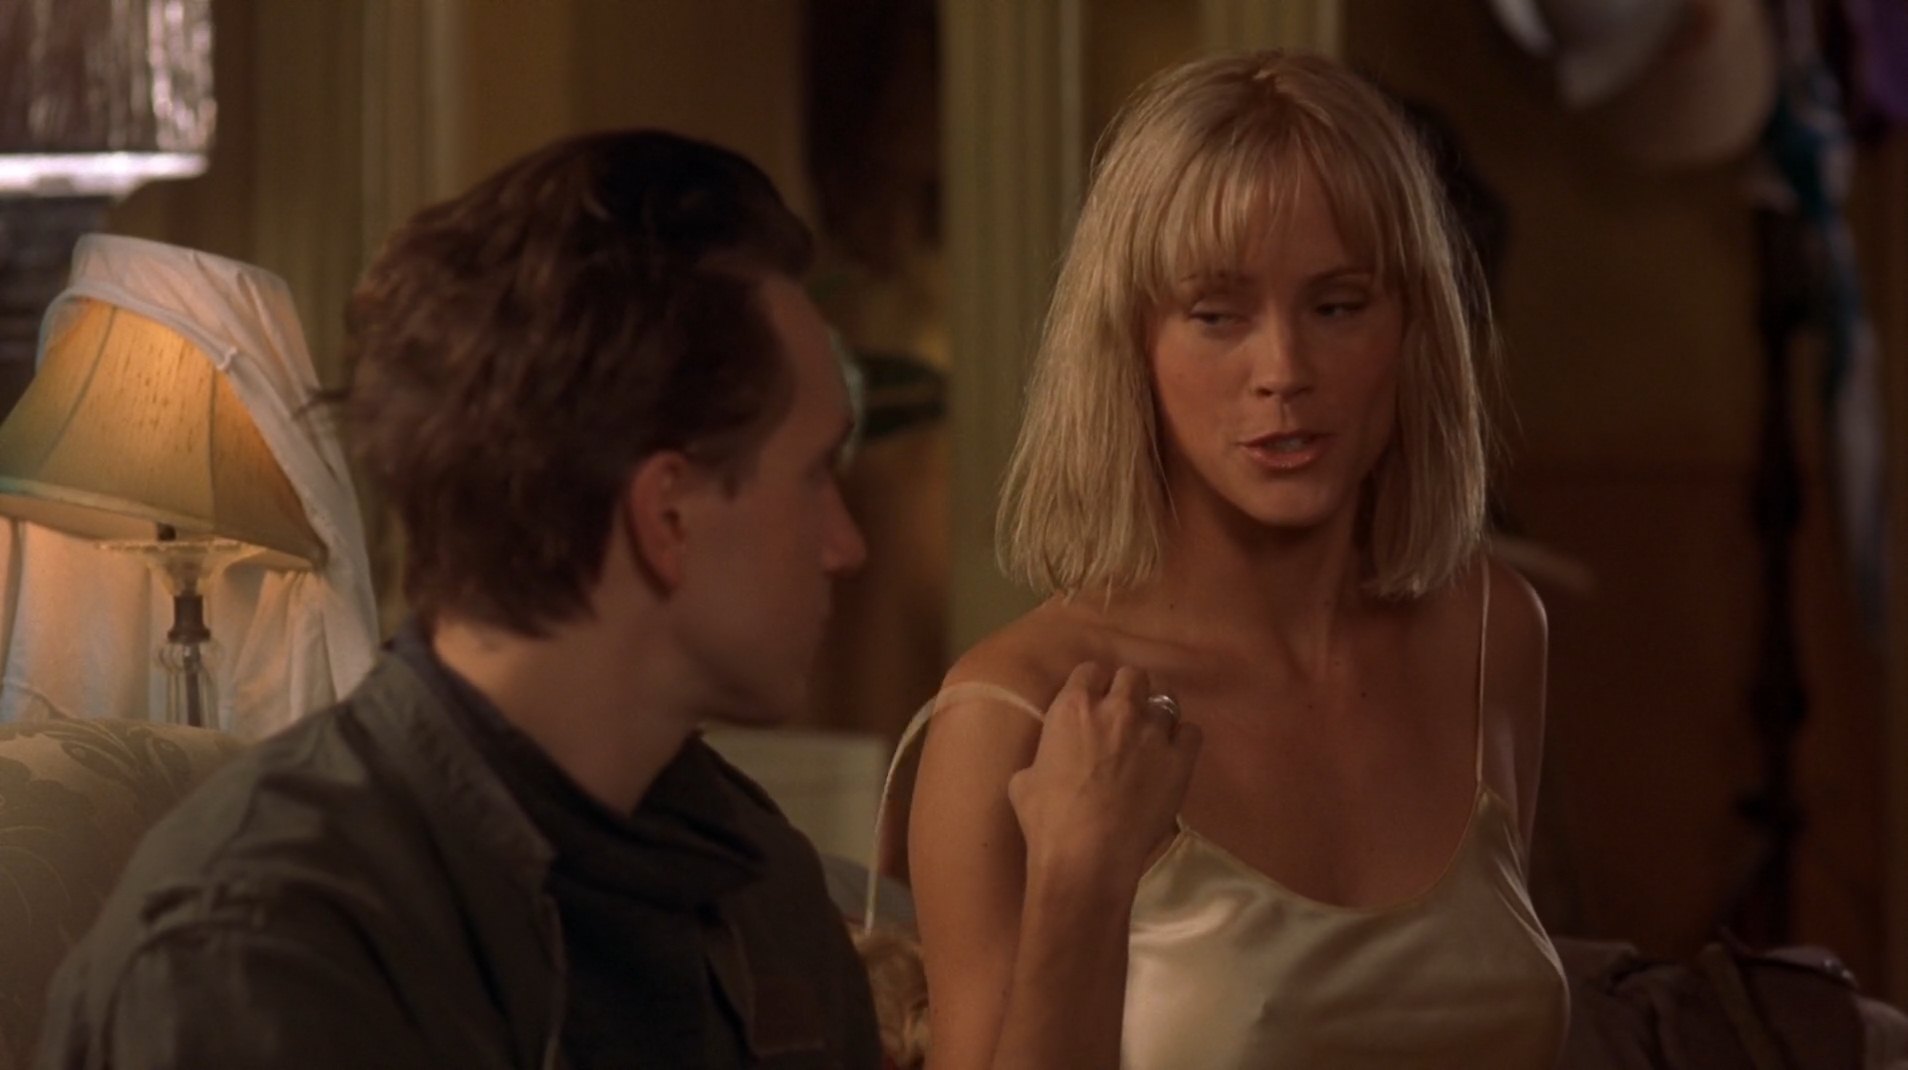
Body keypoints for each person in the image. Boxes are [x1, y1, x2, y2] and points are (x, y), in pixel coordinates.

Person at [37, 130, 887, 1068]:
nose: (846, 546)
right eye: (815, 475)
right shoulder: (261, 952)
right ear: (667, 515)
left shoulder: (760, 884)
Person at [897, 51, 1568, 1068]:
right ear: (1132, 344)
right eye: (1217, 315)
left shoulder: (1490, 630)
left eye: (1338, 306)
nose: (1283, 371)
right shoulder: (1013, 713)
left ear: (1413, 328)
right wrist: (1081, 881)